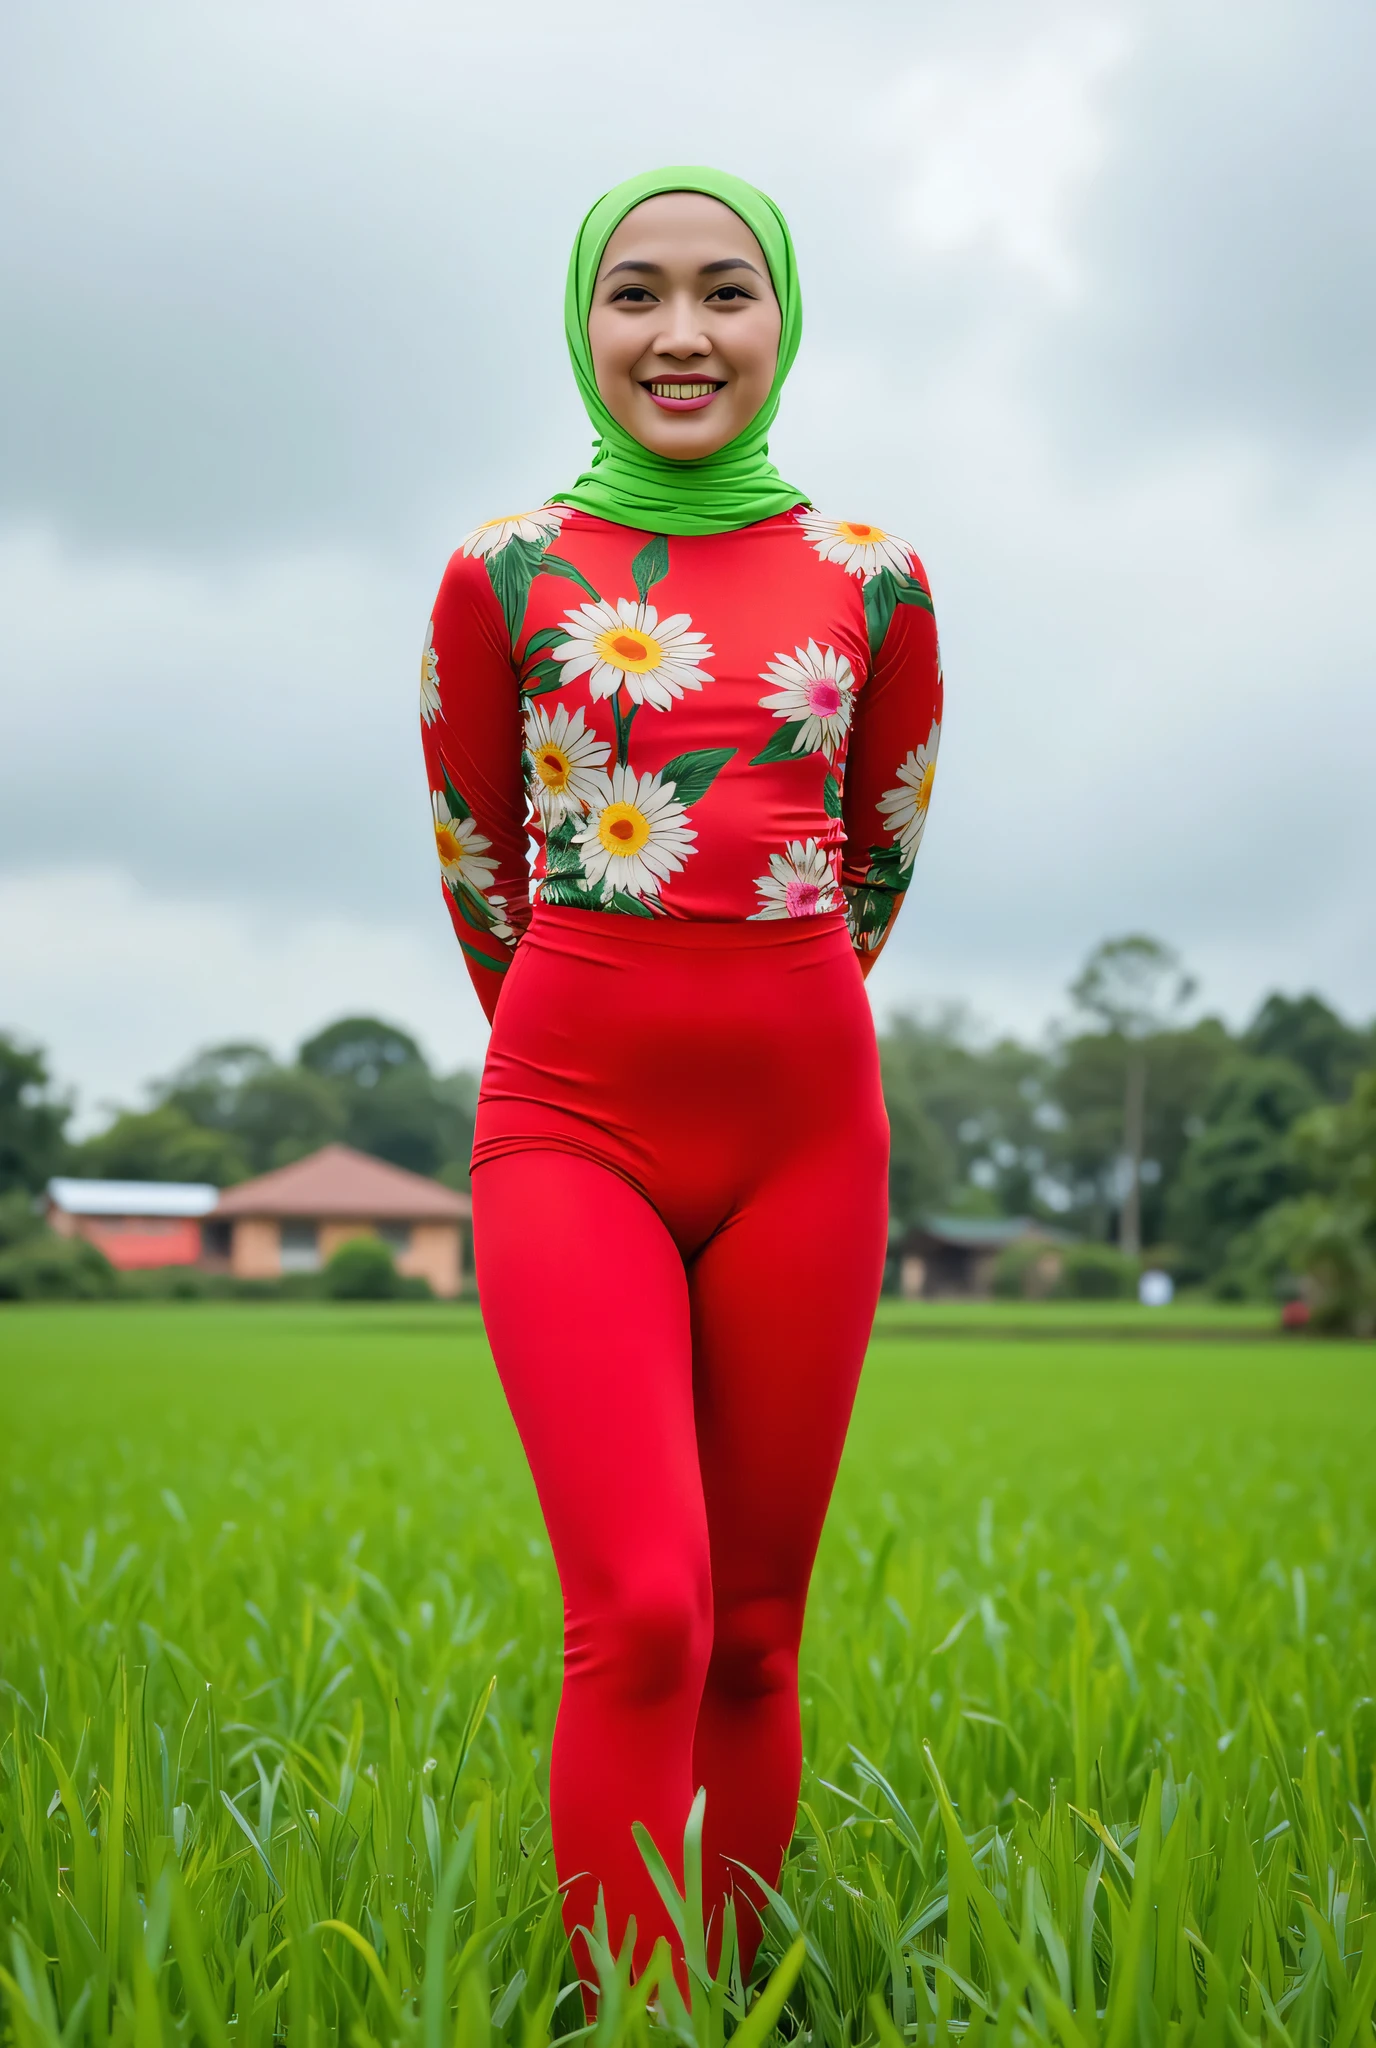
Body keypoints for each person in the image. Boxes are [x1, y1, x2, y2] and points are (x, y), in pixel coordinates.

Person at [419, 166, 943, 1996]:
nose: (682, 333)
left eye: (727, 292)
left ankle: (722, 2004)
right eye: (636, 294)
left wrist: (765, 996)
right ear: (584, 323)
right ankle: (629, 2019)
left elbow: (879, 846)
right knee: (641, 1612)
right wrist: (601, 1008)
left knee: (756, 1632)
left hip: (810, 1130)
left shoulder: (877, 580)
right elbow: (478, 853)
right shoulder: (503, 571)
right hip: (571, 1118)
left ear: (783, 321)